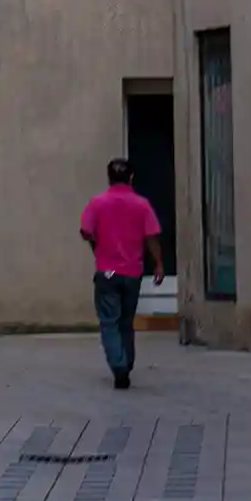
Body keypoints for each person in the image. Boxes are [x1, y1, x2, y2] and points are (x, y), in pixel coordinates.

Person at [79, 158, 164, 388]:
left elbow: (85, 230)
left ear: (109, 178)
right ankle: (126, 362)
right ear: (131, 178)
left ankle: (119, 365)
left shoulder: (97, 203)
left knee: (109, 321)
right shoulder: (142, 205)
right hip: (132, 273)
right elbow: (152, 237)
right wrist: (158, 264)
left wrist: (97, 245)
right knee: (126, 321)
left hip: (107, 272)